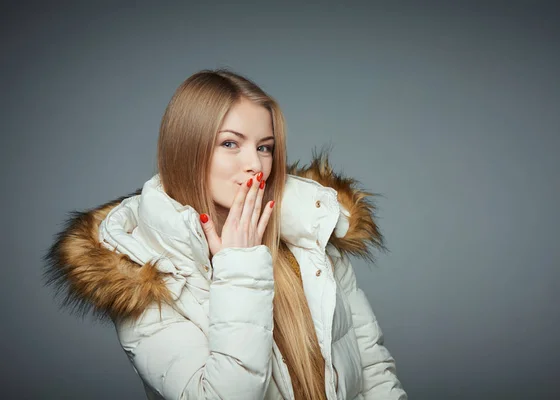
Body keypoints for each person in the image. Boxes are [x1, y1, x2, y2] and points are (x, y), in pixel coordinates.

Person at [44, 69, 408, 400]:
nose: (255, 164)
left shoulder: (311, 231)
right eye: (230, 143)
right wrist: (240, 266)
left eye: (264, 147)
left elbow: (373, 371)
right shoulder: (142, 271)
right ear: (187, 150)